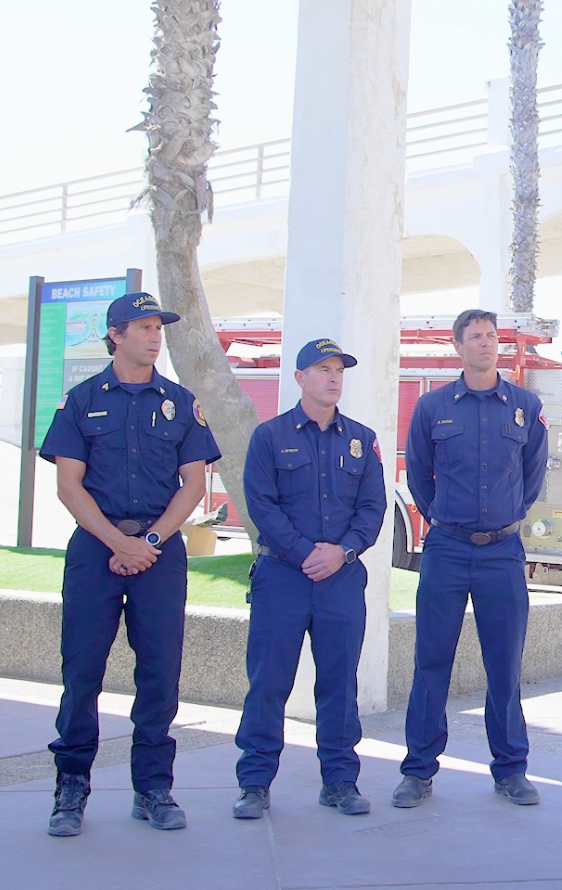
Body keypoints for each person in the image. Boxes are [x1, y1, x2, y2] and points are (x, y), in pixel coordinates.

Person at [39, 291, 221, 836]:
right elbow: (67, 485)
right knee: (82, 674)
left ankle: (153, 788)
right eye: (142, 327)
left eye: (158, 327)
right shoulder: (80, 400)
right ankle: (70, 788)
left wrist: (153, 540)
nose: (154, 335)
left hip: (160, 553)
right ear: (115, 334)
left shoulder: (180, 401)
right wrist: (117, 543)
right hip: (97, 549)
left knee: (161, 674)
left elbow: (195, 483)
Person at [396, 309, 548, 809]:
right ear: (458, 345)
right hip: (447, 549)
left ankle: (510, 770)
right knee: (431, 660)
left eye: (492, 336)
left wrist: (506, 518)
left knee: (504, 664)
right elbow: (419, 473)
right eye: (476, 337)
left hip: (502, 552)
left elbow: (532, 478)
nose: (486, 344)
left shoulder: (524, 405)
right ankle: (418, 770)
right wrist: (445, 516)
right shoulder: (432, 406)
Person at [232, 339, 387, 820]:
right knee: (268, 682)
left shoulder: (361, 438)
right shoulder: (269, 436)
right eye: (322, 369)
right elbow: (261, 505)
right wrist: (305, 554)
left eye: (338, 369)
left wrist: (341, 552)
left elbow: (373, 507)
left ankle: (340, 781)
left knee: (340, 684)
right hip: (283, 577)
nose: (333, 377)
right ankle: (255, 784)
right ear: (300, 378)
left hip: (340, 580)